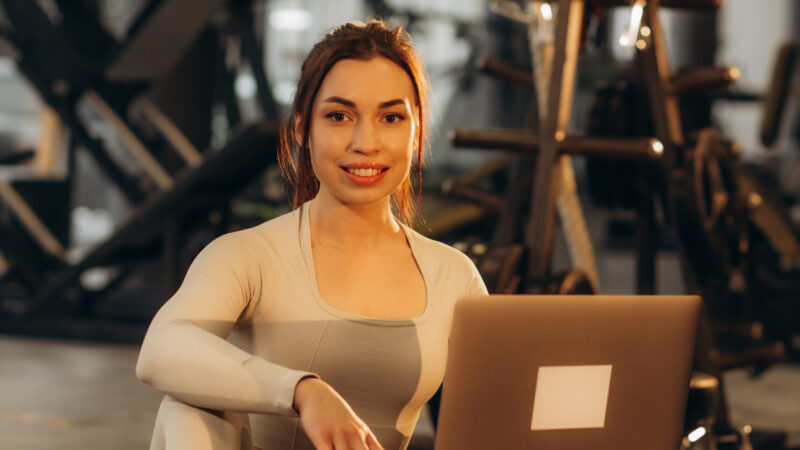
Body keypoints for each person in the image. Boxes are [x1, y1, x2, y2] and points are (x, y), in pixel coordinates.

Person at [136, 19, 487, 450]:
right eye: (339, 116)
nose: (366, 142)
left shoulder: (454, 276)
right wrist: (303, 391)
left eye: (391, 117)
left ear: (416, 133)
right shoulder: (248, 256)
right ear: (302, 128)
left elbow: (495, 417)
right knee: (186, 406)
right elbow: (161, 350)